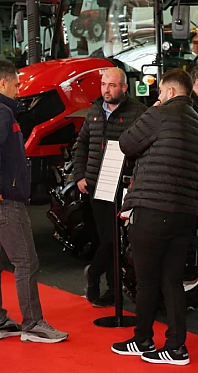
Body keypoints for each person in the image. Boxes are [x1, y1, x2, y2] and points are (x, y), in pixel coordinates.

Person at [0, 60, 67, 343]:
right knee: (26, 261)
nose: (18, 90)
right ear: (3, 83)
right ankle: (33, 324)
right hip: (2, 199)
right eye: (16, 85)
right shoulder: (0, 112)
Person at [111, 69, 198, 366]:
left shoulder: (160, 114)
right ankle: (176, 347)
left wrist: (151, 111)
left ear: (168, 92)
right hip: (184, 214)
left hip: (152, 211)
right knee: (172, 281)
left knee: (146, 281)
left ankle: (142, 340)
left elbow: (126, 143)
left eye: (160, 93)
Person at [74, 67, 147, 307]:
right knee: (109, 239)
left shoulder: (138, 112)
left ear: (124, 88)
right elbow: (81, 144)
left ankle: (101, 280)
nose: (106, 89)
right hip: (97, 185)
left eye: (112, 85)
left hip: (125, 186)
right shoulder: (94, 110)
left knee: (117, 240)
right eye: (104, 84)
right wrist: (79, 176)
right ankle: (105, 283)